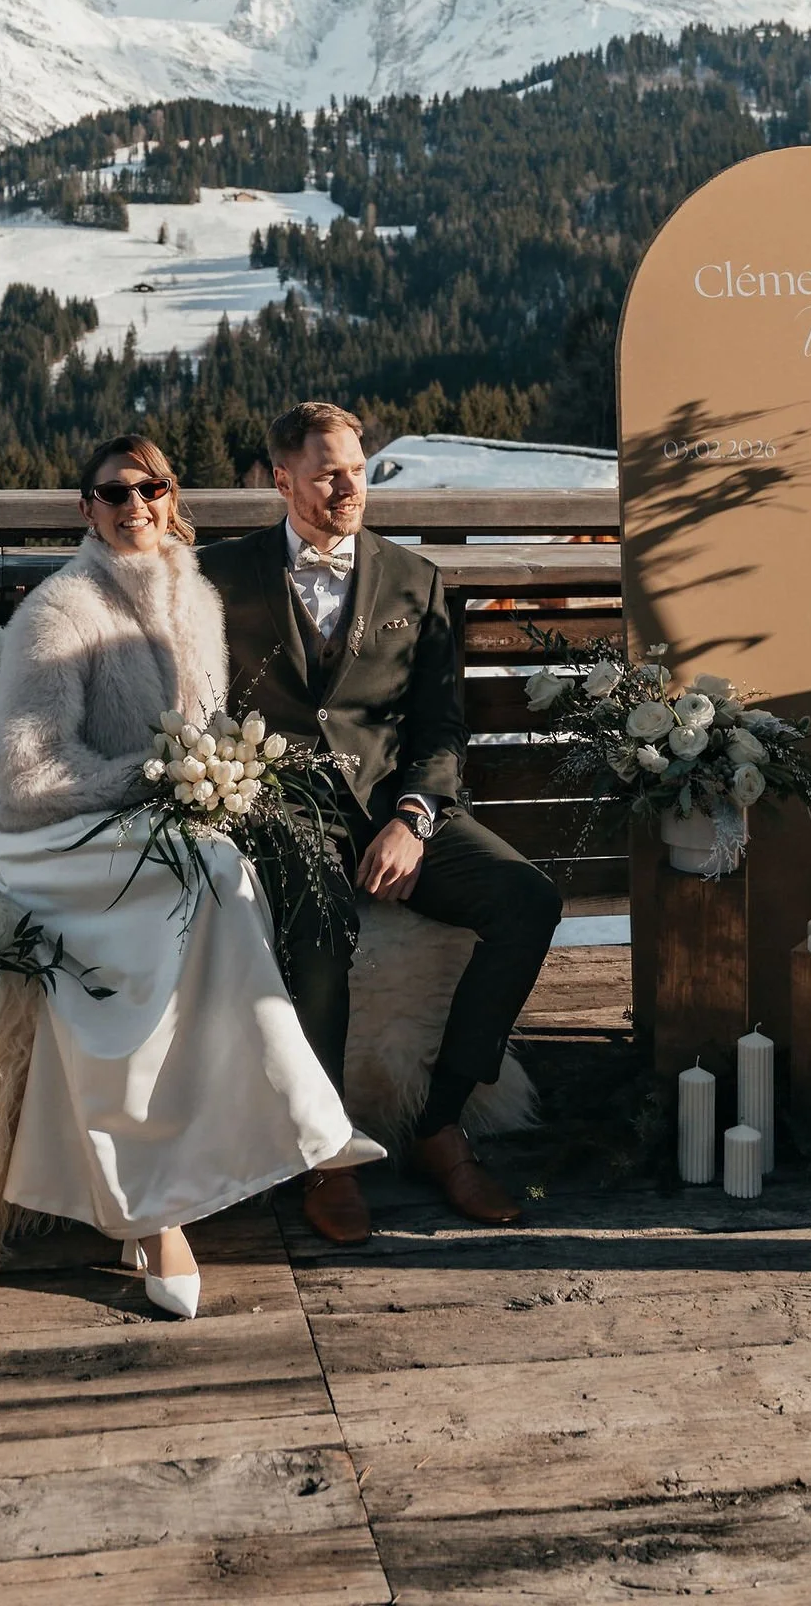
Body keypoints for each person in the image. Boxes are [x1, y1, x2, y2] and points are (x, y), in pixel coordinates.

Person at [0, 434, 382, 1321]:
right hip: (51, 839)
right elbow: (25, 776)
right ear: (86, 509)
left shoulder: (196, 596)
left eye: (150, 489)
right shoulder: (59, 611)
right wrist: (159, 781)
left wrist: (210, 779)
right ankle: (158, 1210)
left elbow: (212, 722)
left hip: (157, 824)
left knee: (220, 872)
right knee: (200, 886)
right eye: (112, 494)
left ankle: (274, 1134)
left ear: (170, 494)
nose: (134, 507)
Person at [200, 399, 562, 1246]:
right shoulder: (219, 578)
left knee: (526, 901)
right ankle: (328, 1157)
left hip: (394, 808)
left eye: (357, 470)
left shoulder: (415, 580)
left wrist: (413, 817)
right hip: (280, 809)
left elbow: (442, 727)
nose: (346, 486)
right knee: (322, 927)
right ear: (281, 479)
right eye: (326, 472)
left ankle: (440, 1124)